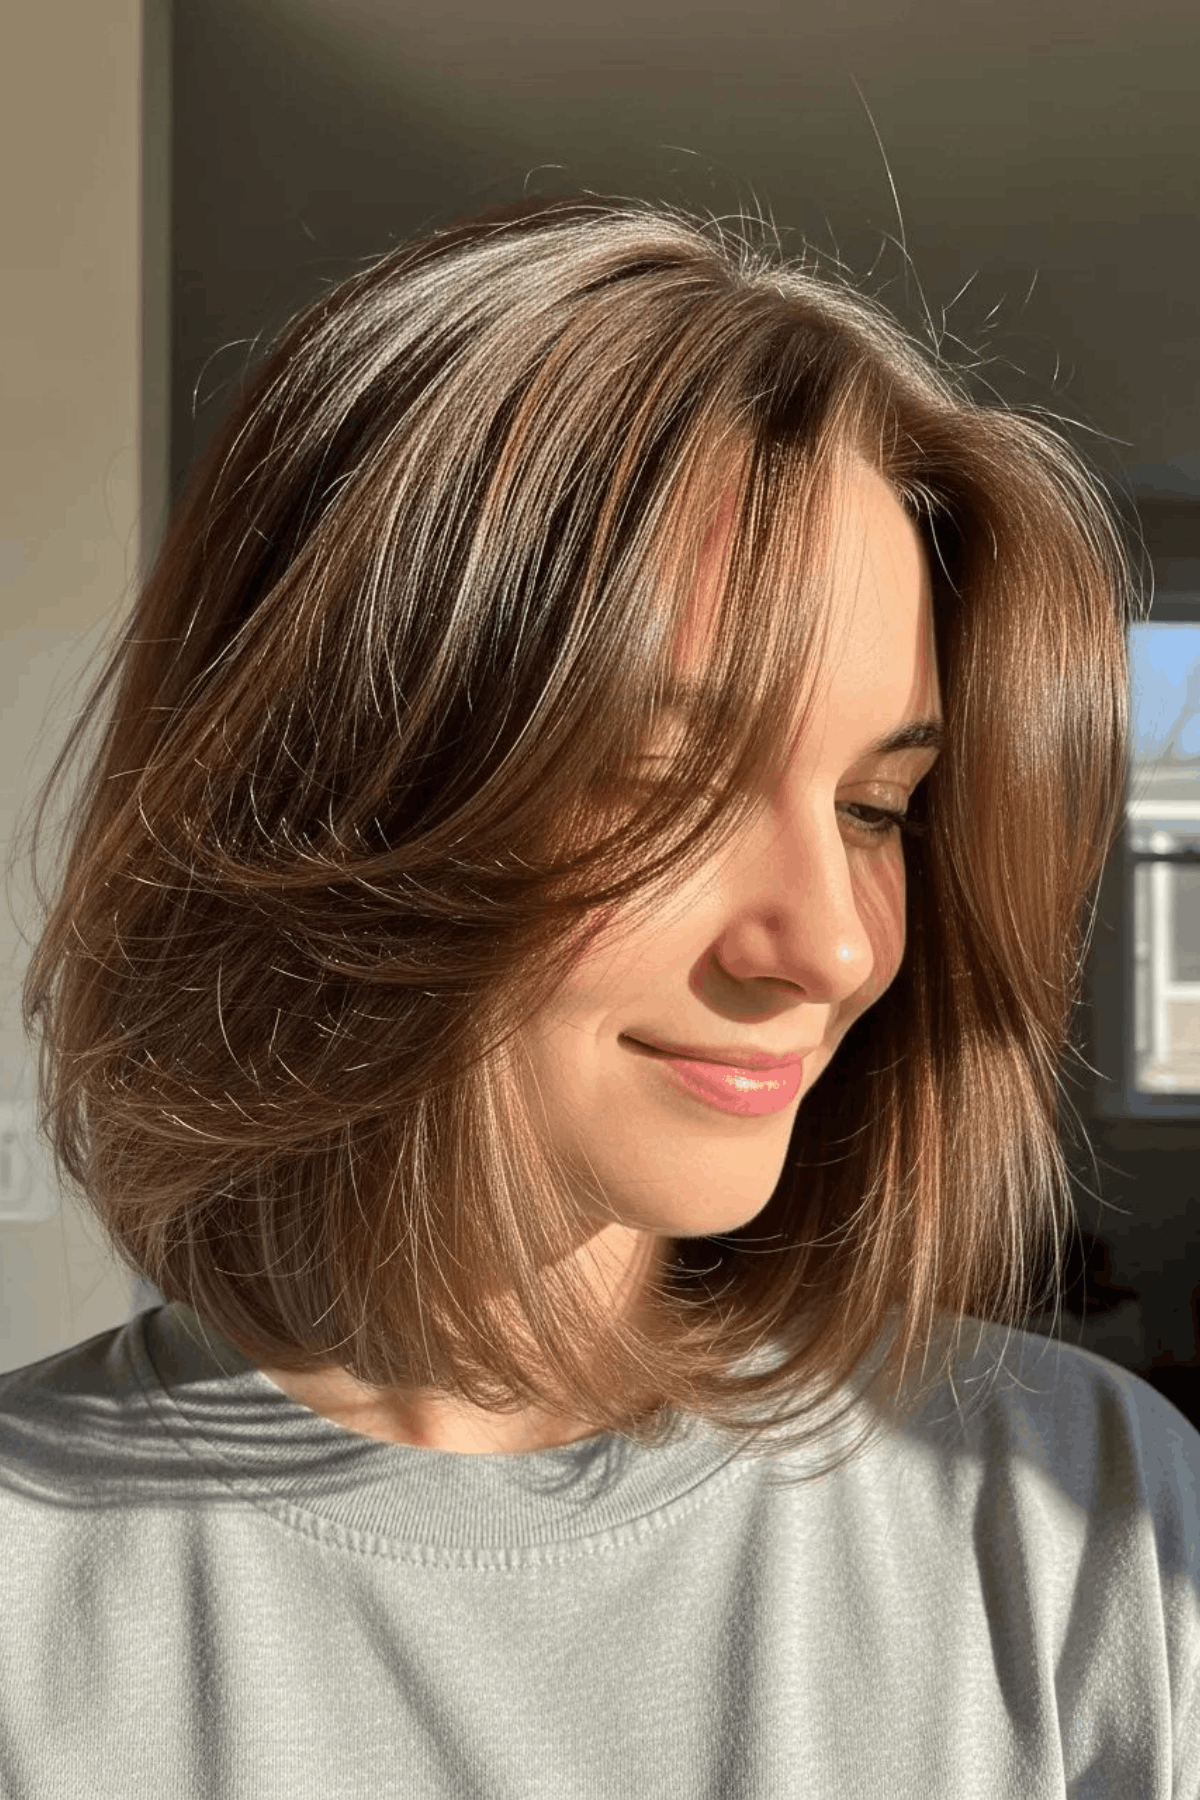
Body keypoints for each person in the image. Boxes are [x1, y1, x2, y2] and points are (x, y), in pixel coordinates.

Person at [3, 192, 1196, 1795]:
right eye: (667, 784)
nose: (831, 948)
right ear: (334, 787)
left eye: (875, 809)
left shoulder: (1087, 1535)